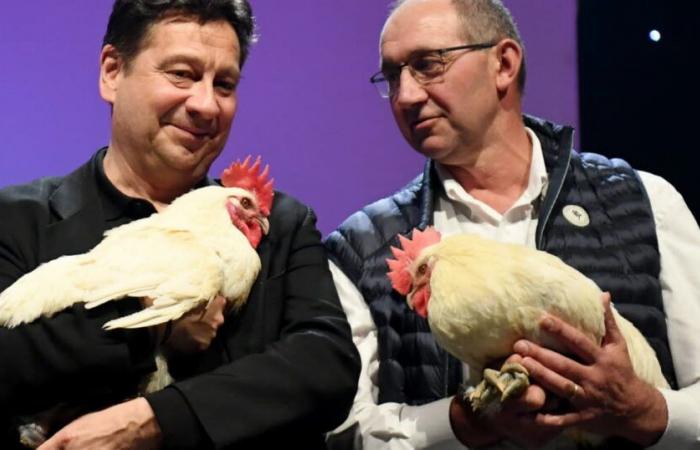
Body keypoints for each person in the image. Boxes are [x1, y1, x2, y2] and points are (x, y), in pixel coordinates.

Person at [325, 0, 700, 448]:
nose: (405, 95)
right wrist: (467, 422)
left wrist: (644, 409)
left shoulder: (645, 201)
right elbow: (346, 432)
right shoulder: (360, 248)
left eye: (427, 65)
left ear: (503, 64)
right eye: (392, 75)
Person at [0, 1, 360, 449]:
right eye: (182, 75)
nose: (206, 105)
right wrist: (152, 328)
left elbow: (326, 367)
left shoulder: (278, 228)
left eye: (224, 84)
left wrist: (155, 418)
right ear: (113, 71)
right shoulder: (15, 219)